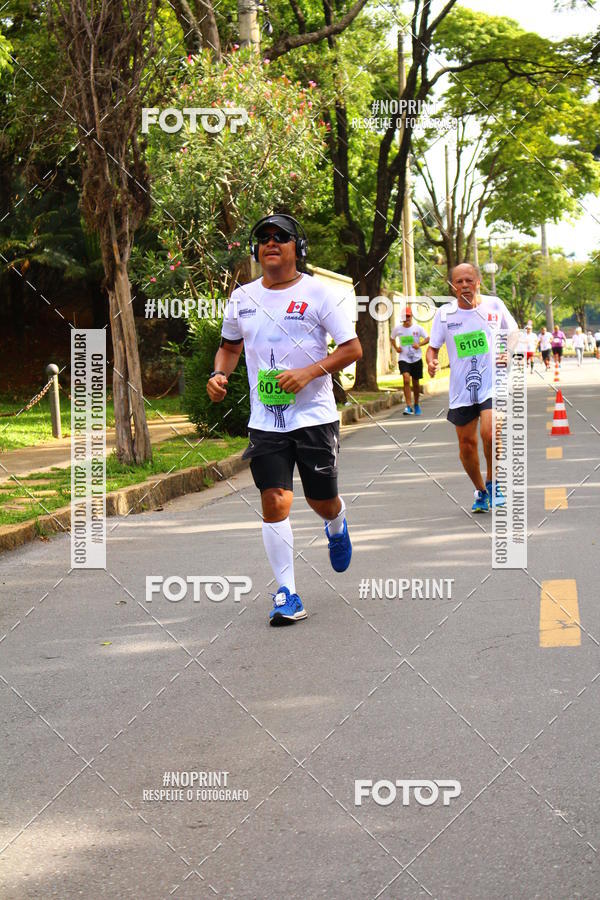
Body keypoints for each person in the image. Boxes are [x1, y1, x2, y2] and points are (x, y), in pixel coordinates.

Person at [207, 213, 362, 626]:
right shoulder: (242, 297)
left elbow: (351, 349)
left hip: (314, 416)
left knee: (320, 500)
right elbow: (229, 347)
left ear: (298, 247)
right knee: (274, 500)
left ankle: (336, 522)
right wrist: (219, 374)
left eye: (281, 236)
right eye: (263, 237)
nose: (270, 242)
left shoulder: (318, 294)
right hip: (266, 421)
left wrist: (309, 372)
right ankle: (287, 593)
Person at [426, 262, 518, 513]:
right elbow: (433, 346)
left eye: (469, 280)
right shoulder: (444, 314)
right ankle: (481, 490)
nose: (464, 285)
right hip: (461, 389)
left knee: (490, 433)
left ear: (478, 282)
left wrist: (506, 352)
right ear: (452, 286)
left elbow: (513, 332)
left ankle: (494, 482)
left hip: (492, 383)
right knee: (467, 445)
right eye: (459, 281)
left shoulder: (495, 306)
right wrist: (431, 360)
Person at [391, 306, 429, 415]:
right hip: (404, 358)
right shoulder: (398, 329)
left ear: (411, 316)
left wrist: (419, 344)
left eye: (408, 317)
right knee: (406, 379)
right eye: (404, 317)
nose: (406, 319)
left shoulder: (418, 328)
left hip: (416, 359)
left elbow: (427, 338)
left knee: (416, 383)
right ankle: (408, 406)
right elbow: (392, 338)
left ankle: (416, 404)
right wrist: (396, 348)